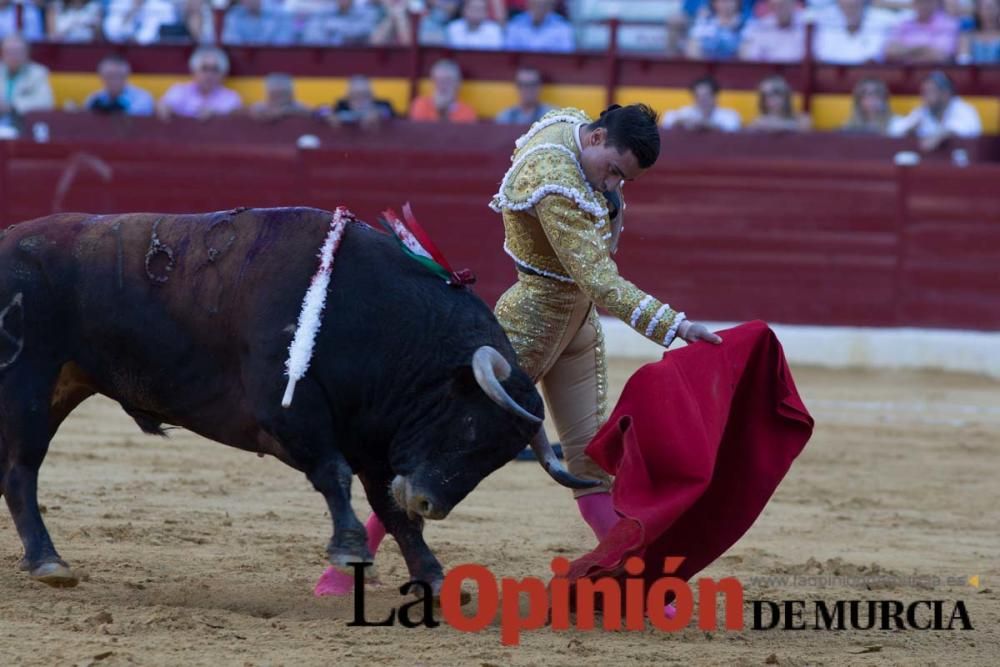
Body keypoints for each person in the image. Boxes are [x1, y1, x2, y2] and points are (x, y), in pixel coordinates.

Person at [314, 104, 723, 597]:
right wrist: (674, 324)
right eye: (614, 170)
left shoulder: (573, 136)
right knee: (445, 448)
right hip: (524, 330)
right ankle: (349, 563)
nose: (614, 185)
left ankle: (638, 584)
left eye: (624, 179)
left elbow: (592, 275)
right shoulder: (552, 178)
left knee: (590, 464)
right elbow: (598, 279)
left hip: (576, 328)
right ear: (594, 139)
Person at [888, 70, 982, 150]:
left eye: (930, 91)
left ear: (945, 93)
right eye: (923, 92)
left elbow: (961, 128)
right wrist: (909, 129)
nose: (924, 97)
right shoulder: (922, 111)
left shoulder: (964, 109)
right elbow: (896, 131)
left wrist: (939, 136)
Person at [156, 45, 241, 120]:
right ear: (194, 71)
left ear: (223, 74)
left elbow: (236, 119)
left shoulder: (231, 97)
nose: (209, 74)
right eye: (204, 69)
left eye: (215, 69)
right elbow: (163, 107)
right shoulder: (179, 91)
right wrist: (164, 109)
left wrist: (215, 115)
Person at [0, 33, 53, 131]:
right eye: (9, 52)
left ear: (27, 53)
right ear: (2, 54)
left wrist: (12, 106)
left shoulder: (38, 73)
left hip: (24, 128)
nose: (13, 56)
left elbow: (46, 102)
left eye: (17, 52)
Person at [882, 0, 959, 63]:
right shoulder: (903, 25)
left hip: (935, 74)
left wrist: (904, 51)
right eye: (920, 1)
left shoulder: (947, 24)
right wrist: (922, 49)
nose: (924, 5)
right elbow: (889, 52)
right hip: (904, 74)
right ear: (914, 3)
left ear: (937, 3)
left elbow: (938, 56)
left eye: (928, 1)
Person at [660, 75, 741, 132]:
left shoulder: (728, 115)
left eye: (706, 96)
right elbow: (667, 121)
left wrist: (706, 126)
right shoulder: (687, 112)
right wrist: (680, 121)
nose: (702, 100)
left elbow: (732, 128)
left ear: (715, 96)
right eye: (698, 96)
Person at [408, 58, 476, 123]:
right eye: (439, 80)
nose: (443, 85)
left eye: (448, 80)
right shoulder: (420, 105)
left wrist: (446, 110)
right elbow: (419, 132)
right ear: (433, 82)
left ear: (457, 83)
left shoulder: (467, 111)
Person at [84, 54, 155, 115]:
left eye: (119, 76)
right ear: (102, 77)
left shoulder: (142, 98)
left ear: (127, 76)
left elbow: (130, 122)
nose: (115, 81)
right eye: (110, 76)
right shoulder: (94, 98)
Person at [746, 75, 811, 132]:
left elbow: (803, 129)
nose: (771, 99)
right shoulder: (758, 122)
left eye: (776, 93)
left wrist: (773, 126)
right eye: (765, 95)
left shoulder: (802, 119)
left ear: (785, 95)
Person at [325, 74, 395, 127]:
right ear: (348, 97)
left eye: (364, 95)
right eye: (355, 96)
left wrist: (378, 115)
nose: (360, 100)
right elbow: (322, 112)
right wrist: (330, 116)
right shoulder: (341, 105)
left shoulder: (383, 104)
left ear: (372, 96)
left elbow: (390, 114)